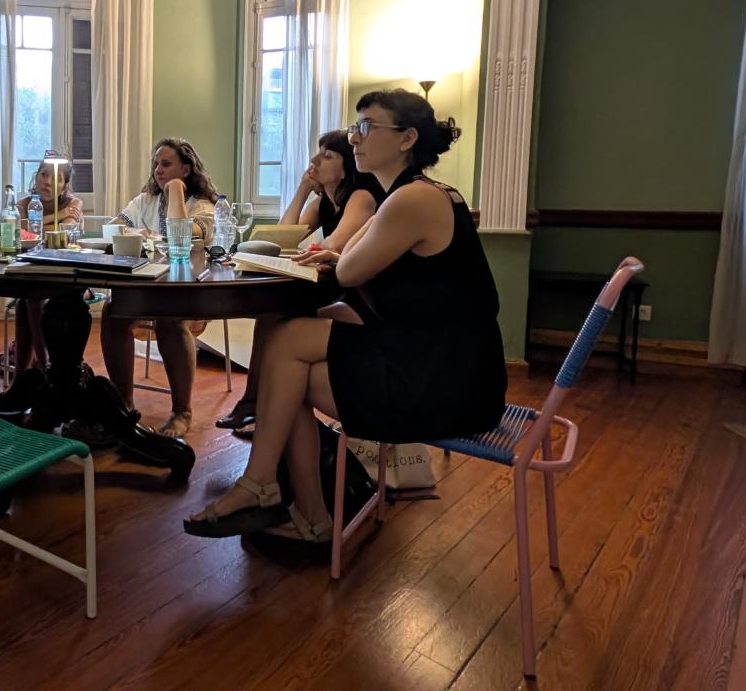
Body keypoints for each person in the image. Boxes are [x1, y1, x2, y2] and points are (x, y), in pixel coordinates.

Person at [184, 89, 506, 545]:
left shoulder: (411, 200)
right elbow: (355, 261)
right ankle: (277, 495)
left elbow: (350, 269)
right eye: (356, 126)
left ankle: (288, 502)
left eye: (367, 127)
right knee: (285, 349)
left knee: (285, 369)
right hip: (447, 363)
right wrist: (342, 253)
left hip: (443, 384)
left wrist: (342, 255)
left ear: (407, 138)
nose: (354, 137)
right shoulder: (418, 194)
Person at [217, 131, 385, 432]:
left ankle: (262, 405)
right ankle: (258, 403)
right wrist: (302, 189)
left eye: (327, 155)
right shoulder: (323, 203)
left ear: (347, 166)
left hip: (358, 296)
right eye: (317, 152)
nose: (315, 160)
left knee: (277, 319)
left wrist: (310, 251)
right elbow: (280, 238)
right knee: (271, 314)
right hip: (332, 288)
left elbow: (334, 244)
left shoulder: (361, 197)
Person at [99, 138, 218, 438]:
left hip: (187, 289)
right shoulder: (145, 201)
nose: (157, 170)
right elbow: (112, 227)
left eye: (166, 164)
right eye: (155, 164)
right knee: (113, 312)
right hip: (147, 284)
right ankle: (124, 405)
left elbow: (180, 235)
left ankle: (182, 412)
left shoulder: (202, 206)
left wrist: (175, 189)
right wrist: (139, 230)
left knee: (170, 318)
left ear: (186, 169)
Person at [7, 160, 86, 374]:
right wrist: (58, 216)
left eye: (56, 178)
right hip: (34, 273)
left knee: (30, 299)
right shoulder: (24, 203)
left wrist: (42, 224)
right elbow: (20, 231)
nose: (48, 181)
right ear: (36, 177)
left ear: (64, 186)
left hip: (72, 278)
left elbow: (62, 232)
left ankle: (41, 369)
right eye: (44, 174)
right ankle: (37, 371)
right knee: (29, 298)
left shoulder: (74, 203)